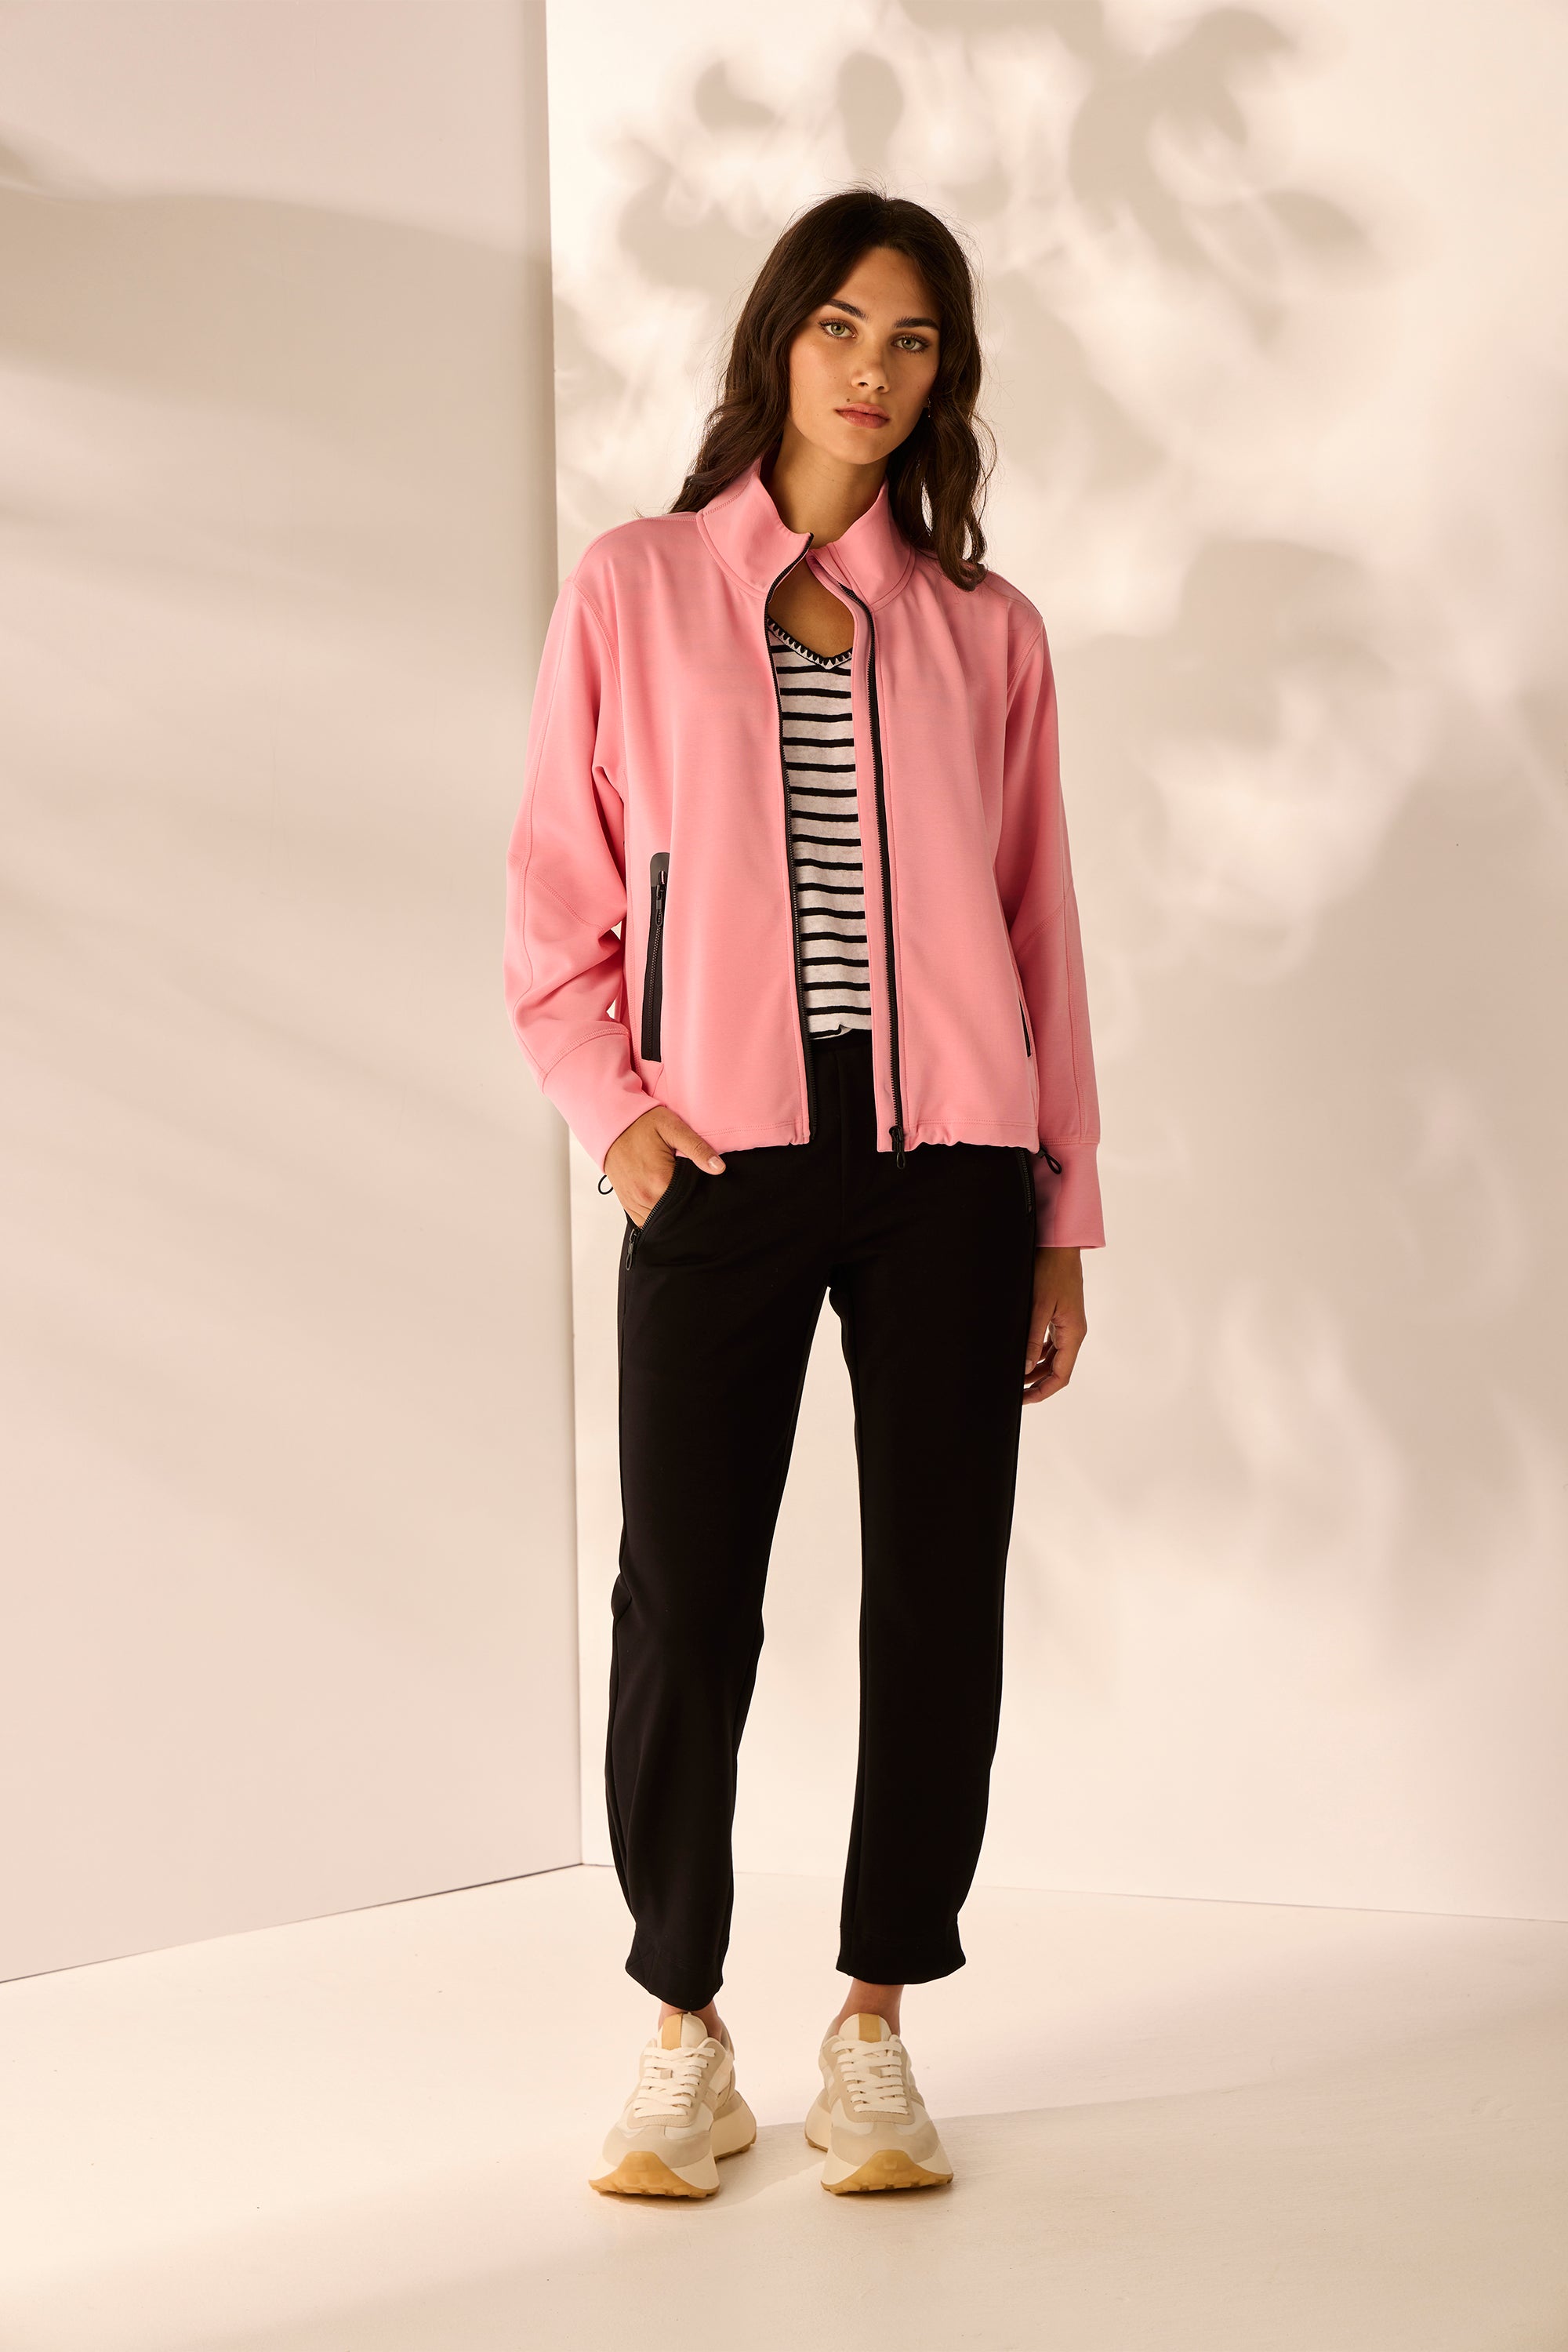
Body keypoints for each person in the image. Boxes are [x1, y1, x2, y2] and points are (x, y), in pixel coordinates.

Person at [503, 187, 1105, 2199]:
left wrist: (1059, 1218)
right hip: (718, 1164)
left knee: (936, 1600)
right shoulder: (637, 587)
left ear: (944, 377)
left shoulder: (987, 634)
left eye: (912, 339)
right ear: (779, 338)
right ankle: (683, 2028)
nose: (872, 368)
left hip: (952, 1177)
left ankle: (875, 2029)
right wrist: (616, 1118)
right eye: (842, 324)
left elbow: (1039, 932)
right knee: (686, 1600)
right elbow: (555, 908)